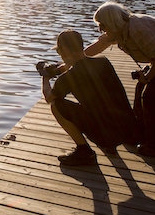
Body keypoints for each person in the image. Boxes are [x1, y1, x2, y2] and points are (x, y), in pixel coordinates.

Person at [85, 2, 155, 157]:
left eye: (102, 24)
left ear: (112, 21)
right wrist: (71, 60)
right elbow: (97, 47)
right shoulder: (118, 30)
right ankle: (141, 134)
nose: (100, 28)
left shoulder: (137, 28)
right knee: (141, 89)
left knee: (153, 97)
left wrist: (148, 77)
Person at [40, 30, 136, 166]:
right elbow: (85, 70)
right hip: (129, 130)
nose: (59, 54)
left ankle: (84, 151)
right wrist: (66, 67)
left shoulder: (68, 78)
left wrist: (45, 77)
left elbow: (49, 98)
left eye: (59, 51)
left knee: (56, 105)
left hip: (108, 135)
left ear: (64, 49)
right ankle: (110, 144)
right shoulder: (103, 62)